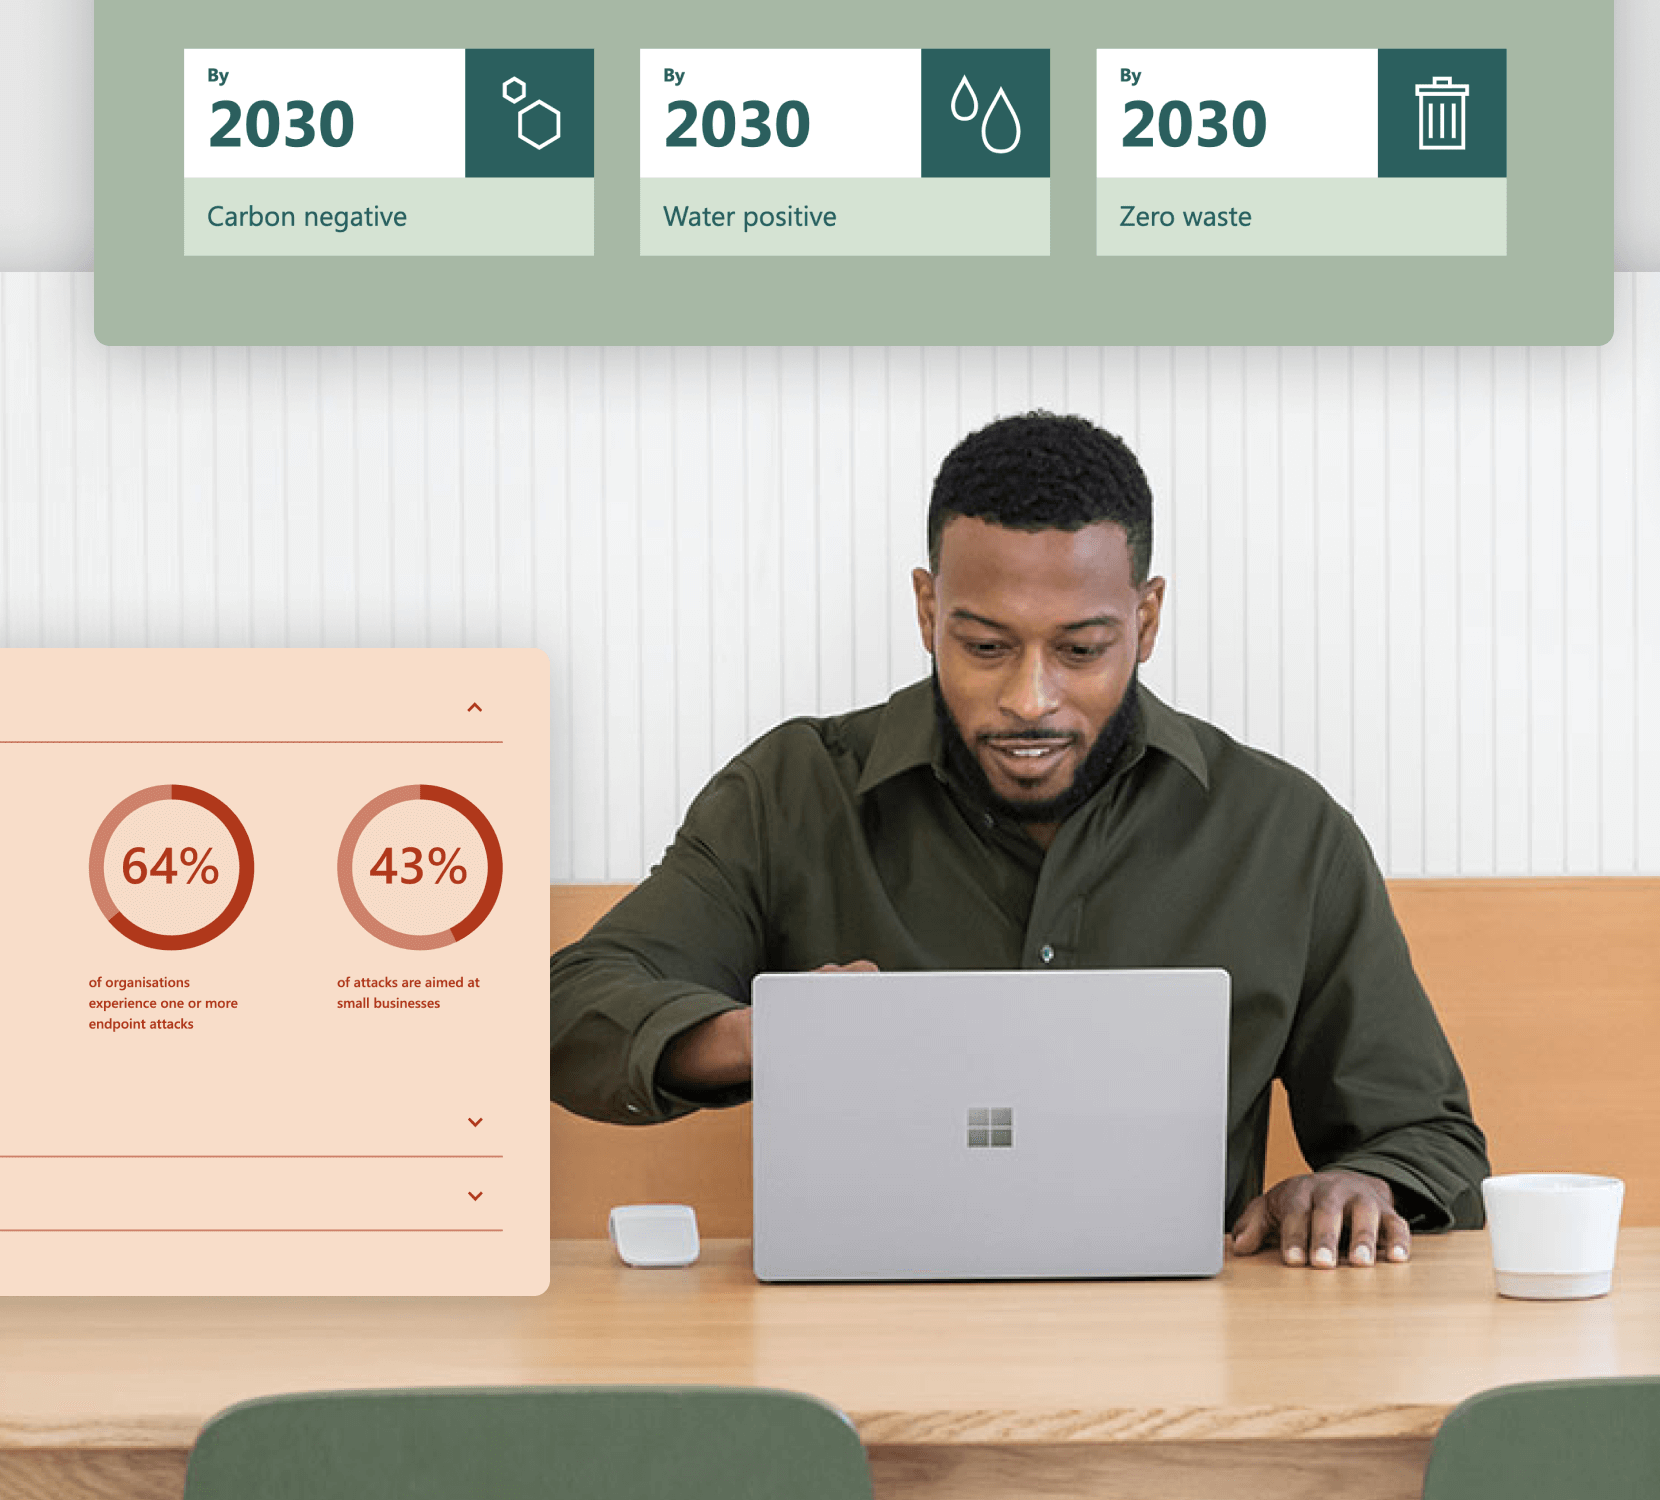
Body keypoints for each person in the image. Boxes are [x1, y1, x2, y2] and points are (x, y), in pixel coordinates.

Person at [551, 410, 1486, 1269]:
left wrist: (1365, 1186)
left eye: (1080, 649)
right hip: (852, 1345)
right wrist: (766, 1038)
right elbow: (569, 1008)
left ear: (1146, 620)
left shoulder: (1285, 833)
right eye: (986, 646)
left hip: (1182, 1360)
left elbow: (1432, 1140)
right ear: (927, 612)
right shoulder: (794, 793)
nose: (1029, 700)